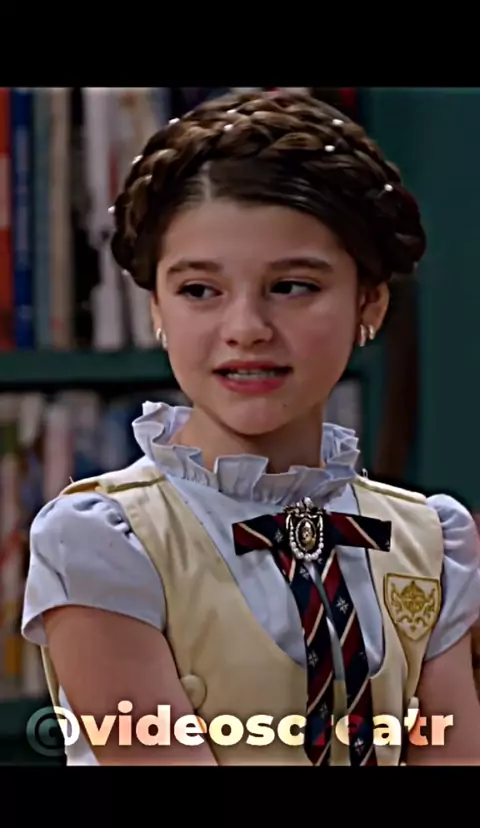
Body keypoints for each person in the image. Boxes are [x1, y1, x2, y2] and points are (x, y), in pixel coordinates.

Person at [22, 89, 480, 766]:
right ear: (156, 310)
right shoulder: (105, 541)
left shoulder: (430, 542)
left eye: (292, 286)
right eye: (199, 291)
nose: (246, 330)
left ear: (369, 303)